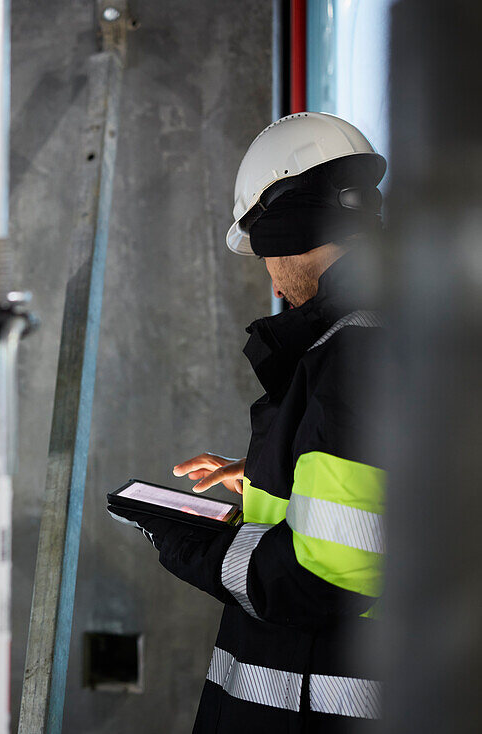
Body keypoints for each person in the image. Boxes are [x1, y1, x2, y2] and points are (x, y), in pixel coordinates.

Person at [109, 113, 387, 732]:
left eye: (263, 252)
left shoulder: (355, 352)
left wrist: (193, 546)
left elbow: (324, 574)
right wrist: (264, 472)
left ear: (286, 225)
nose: (269, 276)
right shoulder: (381, 331)